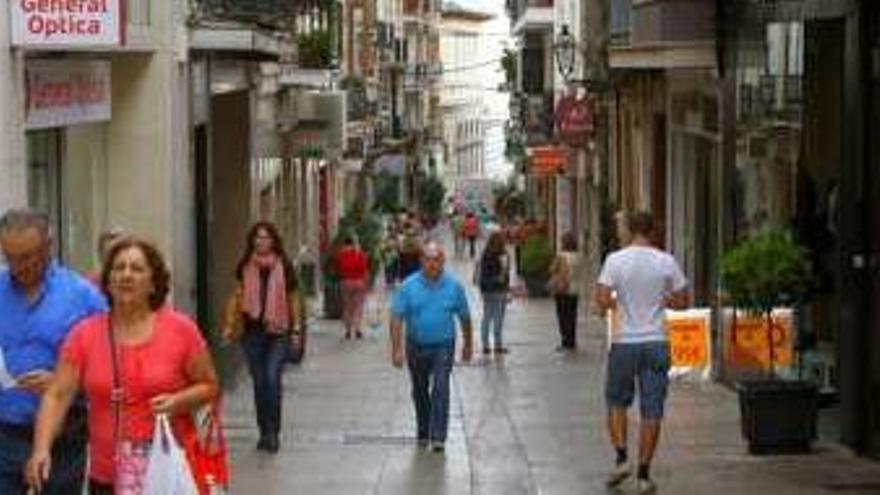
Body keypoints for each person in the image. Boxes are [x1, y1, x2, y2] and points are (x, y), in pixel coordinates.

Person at [26, 236, 218, 494]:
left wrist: (178, 401)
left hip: (165, 473)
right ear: (107, 280)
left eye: (136, 269)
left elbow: (209, 385)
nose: (125, 275)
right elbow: (57, 394)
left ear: (153, 283)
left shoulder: (181, 330)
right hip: (107, 477)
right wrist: (41, 450)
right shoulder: (85, 334)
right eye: (118, 268)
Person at [0, 209, 106, 494]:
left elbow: (111, 370)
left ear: (48, 247)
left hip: (64, 440)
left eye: (26, 258)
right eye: (9, 257)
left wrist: (65, 384)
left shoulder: (84, 297)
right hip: (5, 437)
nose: (17, 266)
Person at [593, 211, 689, 494]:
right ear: (653, 231)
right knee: (652, 410)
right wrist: (662, 299)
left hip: (625, 343)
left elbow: (600, 300)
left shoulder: (615, 260)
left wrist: (617, 303)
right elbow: (683, 301)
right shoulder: (666, 261)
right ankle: (644, 474)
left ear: (629, 230)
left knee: (616, 402)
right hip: (657, 342)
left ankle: (622, 458)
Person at [222, 222, 301, 453]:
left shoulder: (283, 266)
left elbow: (294, 299)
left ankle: (274, 433)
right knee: (259, 383)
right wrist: (229, 327)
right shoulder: (245, 266)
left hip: (278, 331)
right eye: (257, 237)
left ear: (273, 241)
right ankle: (263, 432)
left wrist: (296, 330)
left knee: (272, 378)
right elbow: (237, 298)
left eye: (265, 237)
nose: (261, 241)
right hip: (252, 333)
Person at [390, 242, 473, 452]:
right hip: (415, 345)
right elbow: (396, 317)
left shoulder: (454, 287)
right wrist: (397, 348)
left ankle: (438, 437)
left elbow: (464, 318)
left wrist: (468, 345)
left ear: (443, 262)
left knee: (441, 388)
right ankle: (423, 429)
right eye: (428, 259)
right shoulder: (408, 286)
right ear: (421, 262)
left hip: (443, 345)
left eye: (436, 259)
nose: (432, 264)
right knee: (419, 390)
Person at [474, 232, 510, 355]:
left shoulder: (485, 254)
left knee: (487, 316)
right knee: (498, 317)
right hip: (499, 289)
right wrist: (505, 286)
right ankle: (498, 345)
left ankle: (485, 346)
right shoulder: (503, 255)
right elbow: (505, 273)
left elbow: (482, 272)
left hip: (486, 289)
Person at [549, 232, 583, 350]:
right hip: (575, 289)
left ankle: (565, 341)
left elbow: (553, 269)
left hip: (563, 289)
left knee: (563, 316)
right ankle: (572, 340)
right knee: (572, 316)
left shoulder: (561, 256)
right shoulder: (578, 256)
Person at [336, 236, 370, 339]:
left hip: (346, 282)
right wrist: (366, 283)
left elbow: (338, 269)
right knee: (358, 307)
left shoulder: (341, 255)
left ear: (345, 244)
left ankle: (347, 331)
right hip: (359, 282)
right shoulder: (360, 254)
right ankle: (358, 329)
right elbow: (365, 270)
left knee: (347, 307)